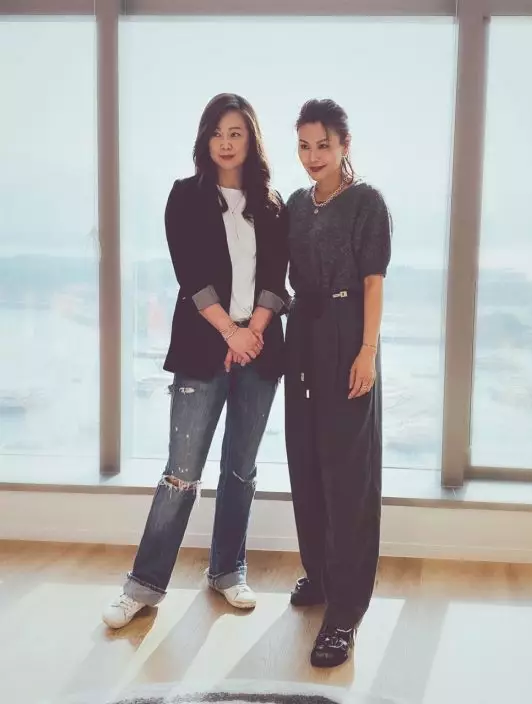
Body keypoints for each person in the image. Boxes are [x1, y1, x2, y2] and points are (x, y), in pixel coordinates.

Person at [103, 93, 288, 629]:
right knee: (181, 473)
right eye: (216, 133)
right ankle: (142, 586)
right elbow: (191, 274)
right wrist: (231, 332)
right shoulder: (185, 196)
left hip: (258, 349)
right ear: (204, 140)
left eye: (236, 133)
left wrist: (252, 333)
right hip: (204, 346)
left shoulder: (271, 204)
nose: (225, 143)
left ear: (251, 140)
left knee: (241, 469)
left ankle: (227, 572)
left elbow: (277, 277)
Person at [284, 99, 392, 667]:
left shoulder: (367, 201)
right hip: (303, 331)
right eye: (304, 146)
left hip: (350, 333)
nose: (312, 156)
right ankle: (321, 575)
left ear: (344, 144)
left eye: (322, 145)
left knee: (348, 473)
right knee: (305, 459)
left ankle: (345, 613)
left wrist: (366, 352)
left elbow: (373, 282)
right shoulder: (297, 203)